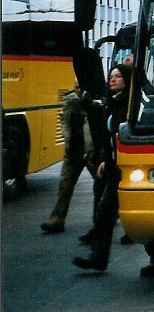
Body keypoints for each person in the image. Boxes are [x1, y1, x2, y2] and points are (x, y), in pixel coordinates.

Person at [72, 64, 154, 275]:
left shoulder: (132, 106)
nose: (113, 79)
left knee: (141, 216)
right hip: (115, 169)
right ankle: (98, 258)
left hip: (132, 168)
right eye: (111, 76)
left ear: (128, 80)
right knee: (104, 213)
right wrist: (104, 160)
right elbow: (106, 138)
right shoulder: (112, 105)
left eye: (118, 76)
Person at [40, 80, 96, 234]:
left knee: (101, 185)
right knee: (65, 185)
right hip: (73, 151)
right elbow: (65, 125)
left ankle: (106, 217)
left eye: (81, 87)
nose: (78, 90)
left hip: (91, 151)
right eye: (76, 87)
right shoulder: (69, 103)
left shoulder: (95, 102)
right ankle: (57, 218)